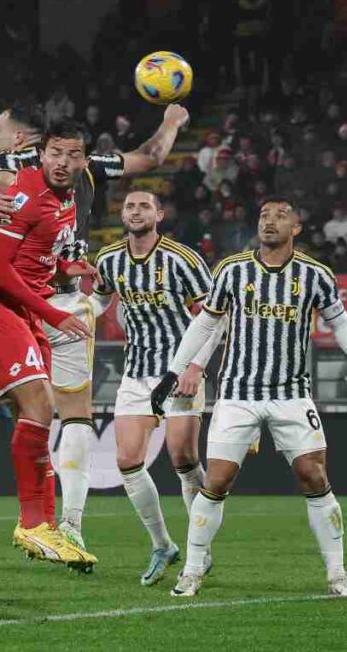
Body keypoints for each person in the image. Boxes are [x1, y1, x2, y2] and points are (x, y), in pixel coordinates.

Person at [0, 103, 190, 553]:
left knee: (40, 415)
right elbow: (150, 157)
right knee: (70, 414)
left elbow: (0, 184)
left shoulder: (11, 160)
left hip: (25, 301)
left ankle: (51, 521)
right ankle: (62, 522)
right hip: (56, 298)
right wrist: (172, 122)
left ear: (20, 138)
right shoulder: (89, 166)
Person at [153, 197, 347, 598]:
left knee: (315, 475)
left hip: (292, 394)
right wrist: (174, 371)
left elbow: (340, 322)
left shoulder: (315, 274)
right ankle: (191, 571)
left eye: (281, 216)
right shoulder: (232, 270)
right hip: (238, 393)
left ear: (297, 228)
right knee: (217, 480)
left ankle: (338, 575)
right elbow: (205, 325)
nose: (270, 221)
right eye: (263, 215)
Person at [0, 120, 97, 570]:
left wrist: (66, 268)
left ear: (83, 160)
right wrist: (55, 311)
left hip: (26, 311)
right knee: (40, 409)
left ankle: (50, 527)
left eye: (73, 155)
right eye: (55, 152)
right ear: (42, 154)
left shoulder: (67, 199)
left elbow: (39, 254)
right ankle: (31, 523)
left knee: (42, 416)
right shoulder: (23, 194)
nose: (63, 162)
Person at [90, 191, 216, 586]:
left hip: (179, 371)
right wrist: (61, 306)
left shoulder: (182, 258)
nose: (136, 211)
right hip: (137, 372)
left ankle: (200, 546)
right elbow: (96, 304)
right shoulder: (109, 259)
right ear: (121, 214)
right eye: (129, 206)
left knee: (183, 459)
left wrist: (196, 365)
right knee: (127, 460)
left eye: (144, 206)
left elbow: (216, 315)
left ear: (159, 214)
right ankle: (163, 544)